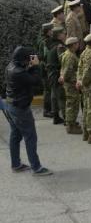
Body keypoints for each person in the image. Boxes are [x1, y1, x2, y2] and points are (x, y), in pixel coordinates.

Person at [2, 46, 53, 176]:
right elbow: (35, 81)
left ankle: (16, 164)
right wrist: (35, 66)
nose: (29, 60)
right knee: (30, 137)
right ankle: (36, 168)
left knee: (16, 135)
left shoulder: (11, 67)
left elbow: (25, 76)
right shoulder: (18, 72)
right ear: (22, 59)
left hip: (11, 105)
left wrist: (29, 66)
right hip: (20, 108)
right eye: (27, 58)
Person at [60, 37, 82, 134]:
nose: (78, 45)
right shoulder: (70, 56)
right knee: (72, 104)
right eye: (77, 43)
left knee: (72, 104)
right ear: (73, 45)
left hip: (70, 83)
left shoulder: (68, 54)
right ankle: (70, 125)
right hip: (71, 84)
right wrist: (66, 78)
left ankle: (72, 122)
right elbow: (68, 70)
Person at [46, 26, 67, 124]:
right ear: (59, 35)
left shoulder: (51, 44)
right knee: (62, 96)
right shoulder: (60, 46)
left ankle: (56, 117)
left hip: (51, 73)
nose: (65, 34)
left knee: (54, 95)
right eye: (63, 33)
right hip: (57, 73)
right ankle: (68, 119)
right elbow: (63, 61)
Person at [38, 22, 54, 118]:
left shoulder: (44, 40)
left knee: (48, 89)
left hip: (45, 67)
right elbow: (45, 55)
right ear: (48, 31)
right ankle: (46, 110)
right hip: (45, 67)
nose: (52, 31)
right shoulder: (45, 42)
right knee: (47, 90)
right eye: (51, 30)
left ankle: (49, 109)